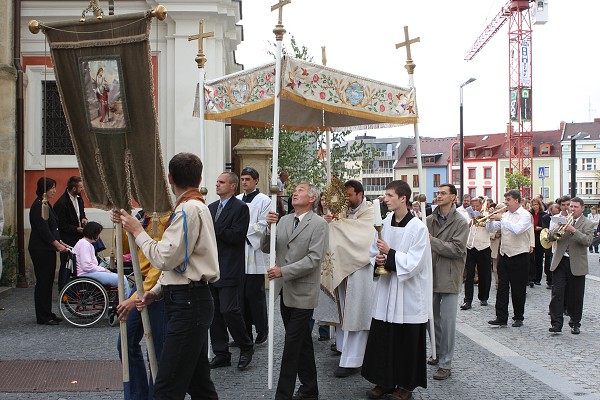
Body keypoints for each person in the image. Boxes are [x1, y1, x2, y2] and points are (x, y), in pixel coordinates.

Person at [114, 152, 220, 400]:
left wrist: (138, 231)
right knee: (198, 384)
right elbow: (181, 263)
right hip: (189, 298)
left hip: (189, 303)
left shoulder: (187, 210)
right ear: (200, 177)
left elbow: (165, 257)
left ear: (170, 178)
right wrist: (156, 291)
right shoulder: (194, 207)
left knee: (167, 388)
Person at [362, 180, 432, 400]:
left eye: (391, 195)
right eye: (386, 195)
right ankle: (384, 381)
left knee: (406, 341)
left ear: (404, 198)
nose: (386, 199)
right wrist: (379, 258)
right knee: (384, 337)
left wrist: (390, 253)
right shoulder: (384, 222)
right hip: (386, 291)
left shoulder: (418, 228)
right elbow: (374, 251)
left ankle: (405, 385)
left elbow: (415, 263)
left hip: (408, 292)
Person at [263, 182, 328, 400]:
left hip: (304, 294)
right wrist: (268, 227)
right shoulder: (283, 220)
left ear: (312, 198)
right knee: (302, 344)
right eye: (295, 191)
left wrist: (283, 271)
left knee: (291, 345)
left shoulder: (319, 224)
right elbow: (267, 247)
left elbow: (314, 259)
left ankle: (283, 395)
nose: (295, 193)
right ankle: (310, 389)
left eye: (301, 191)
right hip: (284, 291)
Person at [324, 180, 375, 378]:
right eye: (344, 196)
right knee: (344, 314)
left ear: (360, 195)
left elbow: (362, 237)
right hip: (344, 270)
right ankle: (345, 351)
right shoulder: (344, 213)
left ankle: (353, 360)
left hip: (360, 271)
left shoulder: (370, 213)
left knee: (357, 314)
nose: (346, 200)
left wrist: (337, 225)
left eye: (350, 196)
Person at [116, 212, 169, 400]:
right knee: (125, 342)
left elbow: (161, 262)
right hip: (140, 282)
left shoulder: (167, 217)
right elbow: (123, 246)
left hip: (156, 288)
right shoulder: (141, 216)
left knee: (157, 350)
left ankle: (156, 396)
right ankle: (137, 395)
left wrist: (134, 299)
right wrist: (121, 224)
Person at [207, 172, 254, 371]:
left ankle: (246, 346)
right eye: (217, 181)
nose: (217, 185)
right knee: (213, 312)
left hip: (230, 267)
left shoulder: (240, 208)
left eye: (221, 182)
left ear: (233, 186)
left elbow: (236, 236)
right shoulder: (210, 208)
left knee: (229, 310)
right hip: (210, 267)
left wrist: (214, 228)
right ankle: (221, 353)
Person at [426, 183, 468, 381]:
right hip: (430, 274)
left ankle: (446, 363)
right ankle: (437, 352)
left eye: (443, 193)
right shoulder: (429, 219)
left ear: (453, 197)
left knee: (448, 321)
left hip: (450, 275)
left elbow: (458, 250)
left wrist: (432, 241)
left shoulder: (460, 222)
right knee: (431, 319)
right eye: (438, 193)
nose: (439, 196)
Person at [486, 189, 533, 328]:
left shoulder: (525, 215)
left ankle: (518, 317)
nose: (506, 203)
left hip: (519, 256)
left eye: (508, 200)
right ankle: (501, 317)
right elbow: (492, 229)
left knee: (518, 288)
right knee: (502, 287)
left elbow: (517, 229)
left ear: (517, 201)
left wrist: (502, 218)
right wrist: (489, 220)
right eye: (505, 200)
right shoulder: (506, 215)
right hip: (505, 255)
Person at [548, 197, 594, 335]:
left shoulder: (588, 223)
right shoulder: (561, 219)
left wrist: (573, 230)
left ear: (582, 208)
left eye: (575, 207)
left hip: (576, 262)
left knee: (576, 295)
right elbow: (550, 237)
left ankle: (575, 322)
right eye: (571, 206)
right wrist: (556, 231)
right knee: (557, 293)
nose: (572, 209)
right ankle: (556, 323)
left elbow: (587, 241)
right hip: (560, 260)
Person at [237, 167, 270, 345]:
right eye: (242, 179)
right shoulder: (236, 200)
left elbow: (263, 224)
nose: (244, 182)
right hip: (238, 253)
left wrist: (242, 232)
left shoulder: (264, 200)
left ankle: (262, 329)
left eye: (248, 179)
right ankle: (244, 333)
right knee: (240, 297)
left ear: (256, 181)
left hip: (254, 251)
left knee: (255, 296)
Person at [29, 177, 68, 325]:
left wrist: (59, 242)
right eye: (52, 188)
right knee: (43, 282)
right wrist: (57, 245)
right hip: (41, 249)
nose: (54, 190)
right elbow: (44, 230)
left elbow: (53, 228)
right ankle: (43, 316)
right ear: (45, 189)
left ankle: (47, 313)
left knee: (47, 282)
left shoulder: (45, 204)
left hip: (47, 249)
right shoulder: (39, 205)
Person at [72, 221, 130, 295]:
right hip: (86, 274)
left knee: (119, 277)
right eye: (98, 233)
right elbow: (86, 266)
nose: (99, 236)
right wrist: (104, 269)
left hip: (88, 273)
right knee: (122, 279)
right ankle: (127, 303)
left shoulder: (84, 243)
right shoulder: (85, 244)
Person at [54, 176, 88, 290]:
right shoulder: (61, 203)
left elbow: (81, 212)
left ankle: (76, 288)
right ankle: (63, 289)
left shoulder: (78, 198)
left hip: (78, 236)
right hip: (67, 238)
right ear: (73, 188)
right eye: (80, 187)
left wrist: (84, 219)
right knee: (66, 264)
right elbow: (62, 225)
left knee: (78, 263)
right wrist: (76, 229)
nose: (82, 189)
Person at [461, 197, 492, 310]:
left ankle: (483, 297)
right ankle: (467, 300)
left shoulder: (488, 215)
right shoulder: (467, 215)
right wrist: (471, 220)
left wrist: (483, 218)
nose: (474, 208)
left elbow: (490, 229)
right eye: (472, 206)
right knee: (469, 275)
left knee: (484, 274)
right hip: (471, 246)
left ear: (481, 205)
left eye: (476, 206)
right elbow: (465, 229)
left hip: (483, 247)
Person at [529, 198, 547, 287]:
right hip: (531, 237)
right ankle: (531, 277)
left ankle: (538, 278)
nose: (534, 206)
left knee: (539, 259)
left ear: (539, 205)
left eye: (536, 204)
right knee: (531, 259)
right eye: (533, 205)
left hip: (540, 237)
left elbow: (546, 227)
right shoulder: (529, 214)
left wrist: (540, 228)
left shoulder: (543, 214)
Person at [541, 203, 559, 289]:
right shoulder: (546, 218)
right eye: (553, 213)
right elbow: (545, 229)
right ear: (550, 212)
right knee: (548, 260)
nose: (555, 215)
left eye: (556, 213)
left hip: (557, 242)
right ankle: (549, 280)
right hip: (549, 240)